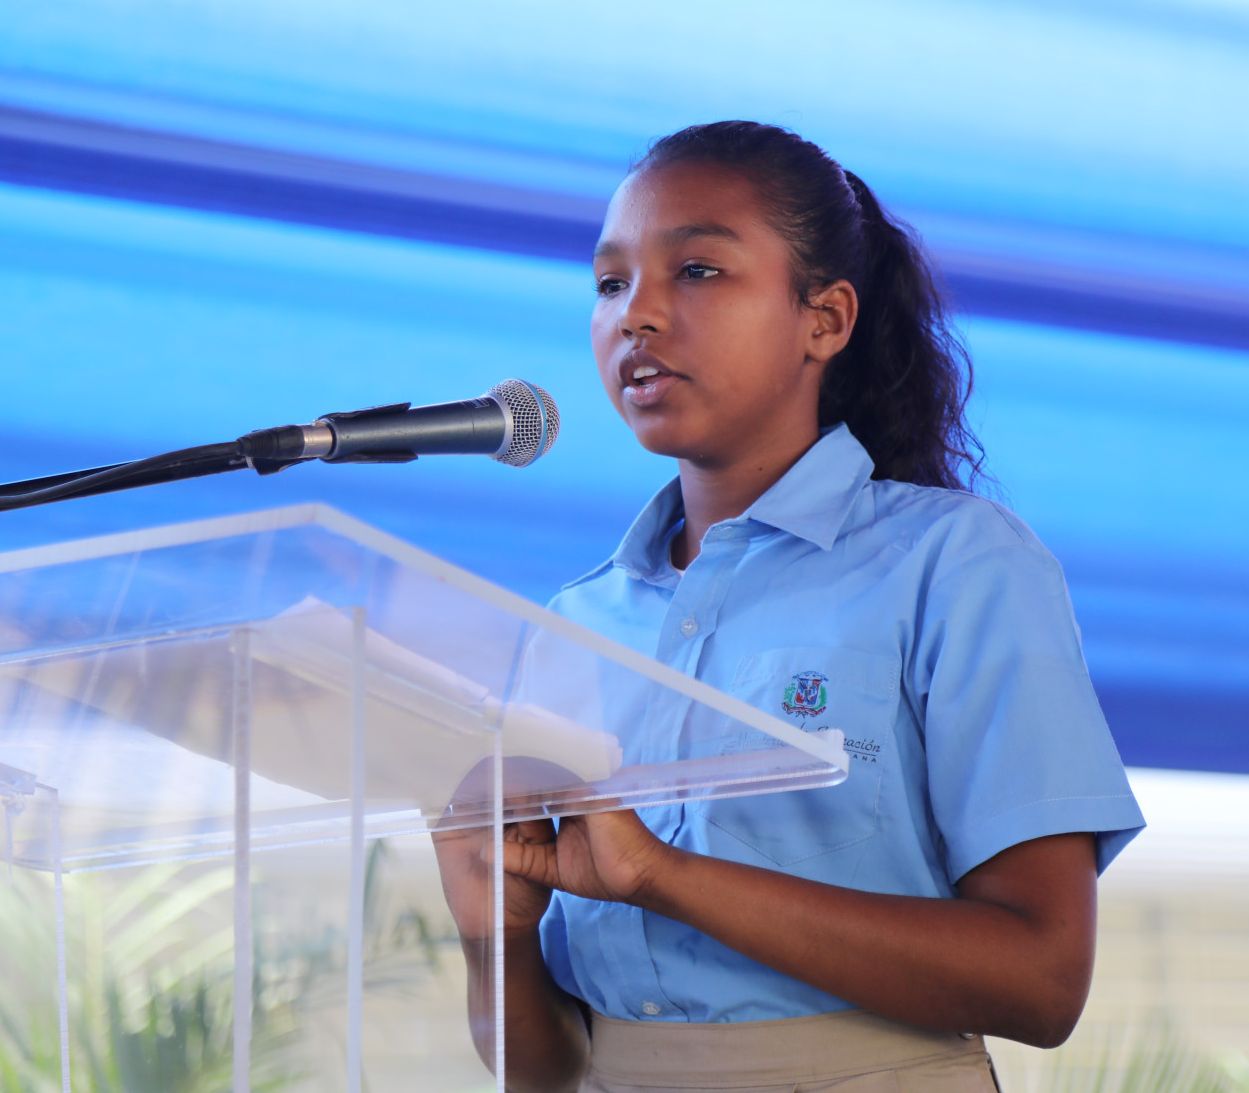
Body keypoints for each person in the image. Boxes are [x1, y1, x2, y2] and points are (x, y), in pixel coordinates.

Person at [437, 121, 1144, 1093]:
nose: (637, 314)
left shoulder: (955, 562)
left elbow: (1042, 980)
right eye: (609, 283)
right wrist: (495, 935)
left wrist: (664, 874)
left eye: (696, 270)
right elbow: (542, 1068)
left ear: (825, 318)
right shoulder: (576, 621)